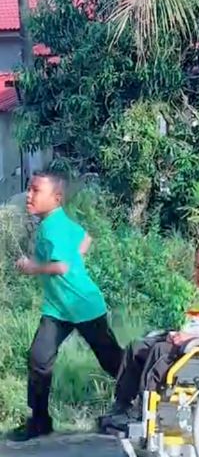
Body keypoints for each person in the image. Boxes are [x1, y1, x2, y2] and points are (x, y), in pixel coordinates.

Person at [11, 171, 124, 442]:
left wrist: (31, 268)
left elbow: (61, 266)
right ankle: (39, 423)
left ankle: (139, 403)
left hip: (83, 306)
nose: (29, 195)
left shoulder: (52, 228)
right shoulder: (57, 221)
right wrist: (75, 262)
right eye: (29, 189)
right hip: (58, 309)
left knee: (113, 362)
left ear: (56, 198)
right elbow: (85, 239)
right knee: (39, 359)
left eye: (36, 190)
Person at [100, 233, 199, 429]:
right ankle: (121, 405)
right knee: (137, 347)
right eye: (198, 267)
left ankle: (143, 413)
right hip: (188, 352)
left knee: (160, 352)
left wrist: (192, 339)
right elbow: (191, 327)